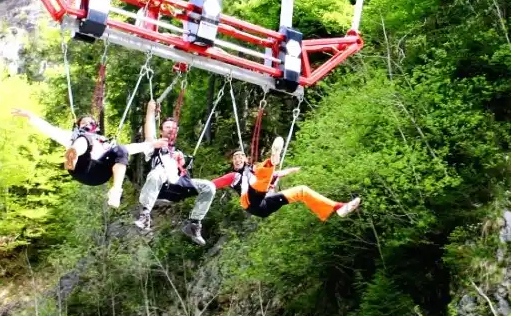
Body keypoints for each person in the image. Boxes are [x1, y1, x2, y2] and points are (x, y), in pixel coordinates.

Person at [11, 109, 167, 208]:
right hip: (80, 167)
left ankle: (115, 191)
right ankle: (73, 155)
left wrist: (152, 144)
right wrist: (31, 116)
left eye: (89, 122)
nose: (86, 124)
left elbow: (131, 149)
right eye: (82, 123)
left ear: (96, 126)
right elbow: (50, 130)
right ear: (78, 126)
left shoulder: (105, 142)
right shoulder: (72, 136)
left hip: (100, 173)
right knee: (84, 139)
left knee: (121, 149)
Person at [213, 137, 360, 221]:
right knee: (261, 179)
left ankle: (338, 207)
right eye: (235, 158)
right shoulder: (233, 176)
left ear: (245, 159)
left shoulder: (255, 169)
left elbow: (273, 174)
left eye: (240, 156)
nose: (237, 159)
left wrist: (288, 171)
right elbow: (211, 184)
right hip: (250, 202)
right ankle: (273, 159)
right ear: (233, 163)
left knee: (302, 190)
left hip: (264, 205)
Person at [133, 100, 216, 245]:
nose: (171, 129)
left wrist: (182, 161)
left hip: (177, 184)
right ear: (161, 131)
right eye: (167, 127)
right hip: (160, 186)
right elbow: (149, 133)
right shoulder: (154, 146)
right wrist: (150, 111)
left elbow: (183, 168)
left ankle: (194, 224)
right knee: (156, 173)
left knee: (209, 186)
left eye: (174, 127)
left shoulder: (177, 152)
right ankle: (145, 214)